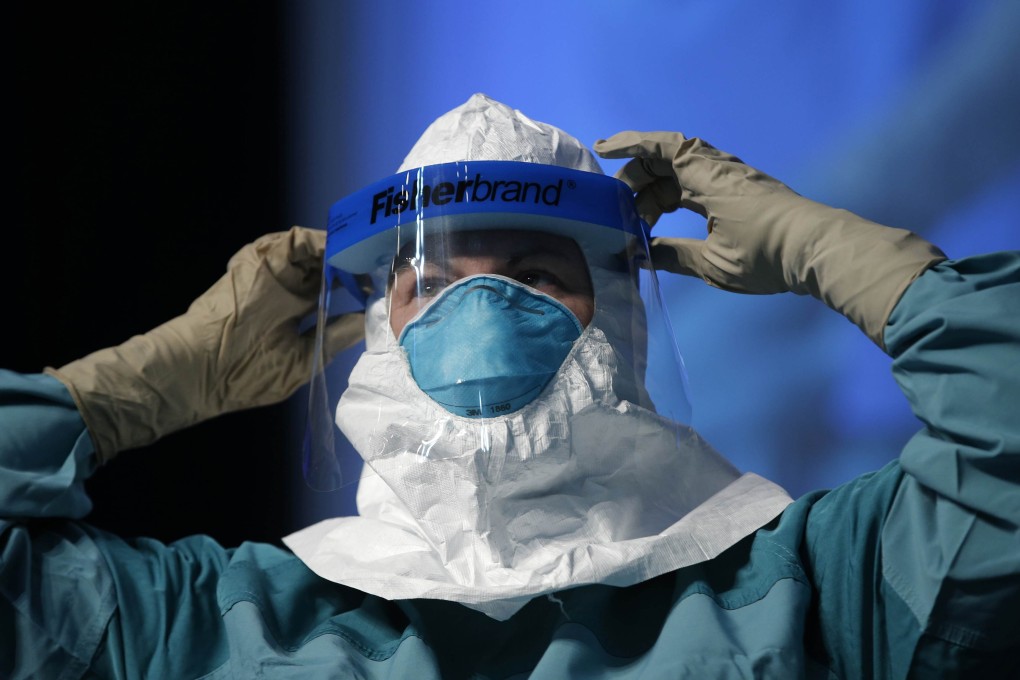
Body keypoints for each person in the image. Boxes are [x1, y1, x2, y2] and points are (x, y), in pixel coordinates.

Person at [1, 93, 1017, 679]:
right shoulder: (220, 617)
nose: (479, 313)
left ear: (615, 320)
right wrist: (147, 382)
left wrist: (823, 247)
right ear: (382, 335)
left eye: (533, 275)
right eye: (431, 282)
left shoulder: (809, 587)